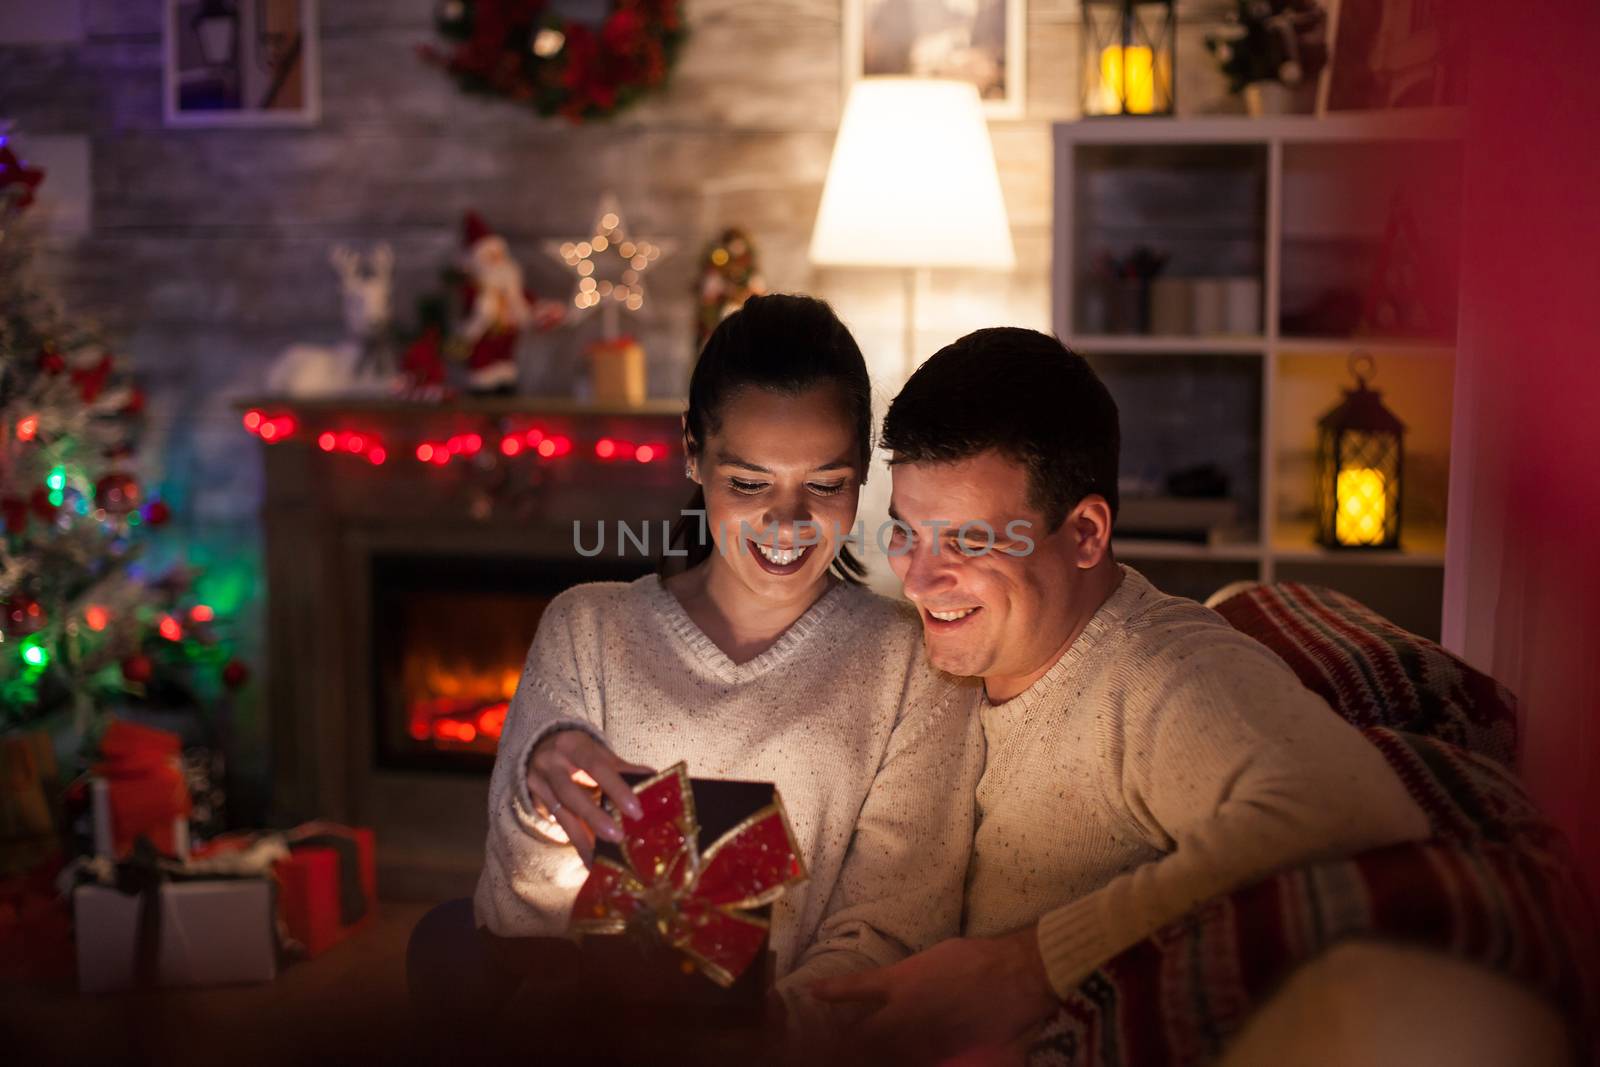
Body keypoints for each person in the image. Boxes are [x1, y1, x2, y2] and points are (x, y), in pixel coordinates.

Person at [813, 327, 1432, 1060]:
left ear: (1084, 532)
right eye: (906, 533)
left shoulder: (1157, 670)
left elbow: (1348, 800)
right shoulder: (941, 665)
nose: (918, 579)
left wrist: (1027, 966)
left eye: (971, 542)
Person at [473, 294, 983, 1017]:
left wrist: (764, 1033)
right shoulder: (586, 628)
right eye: (748, 483)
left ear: (864, 468)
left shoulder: (911, 660)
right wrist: (536, 791)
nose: (787, 523)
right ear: (692, 450)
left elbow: (891, 928)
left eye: (826, 485)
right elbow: (514, 923)